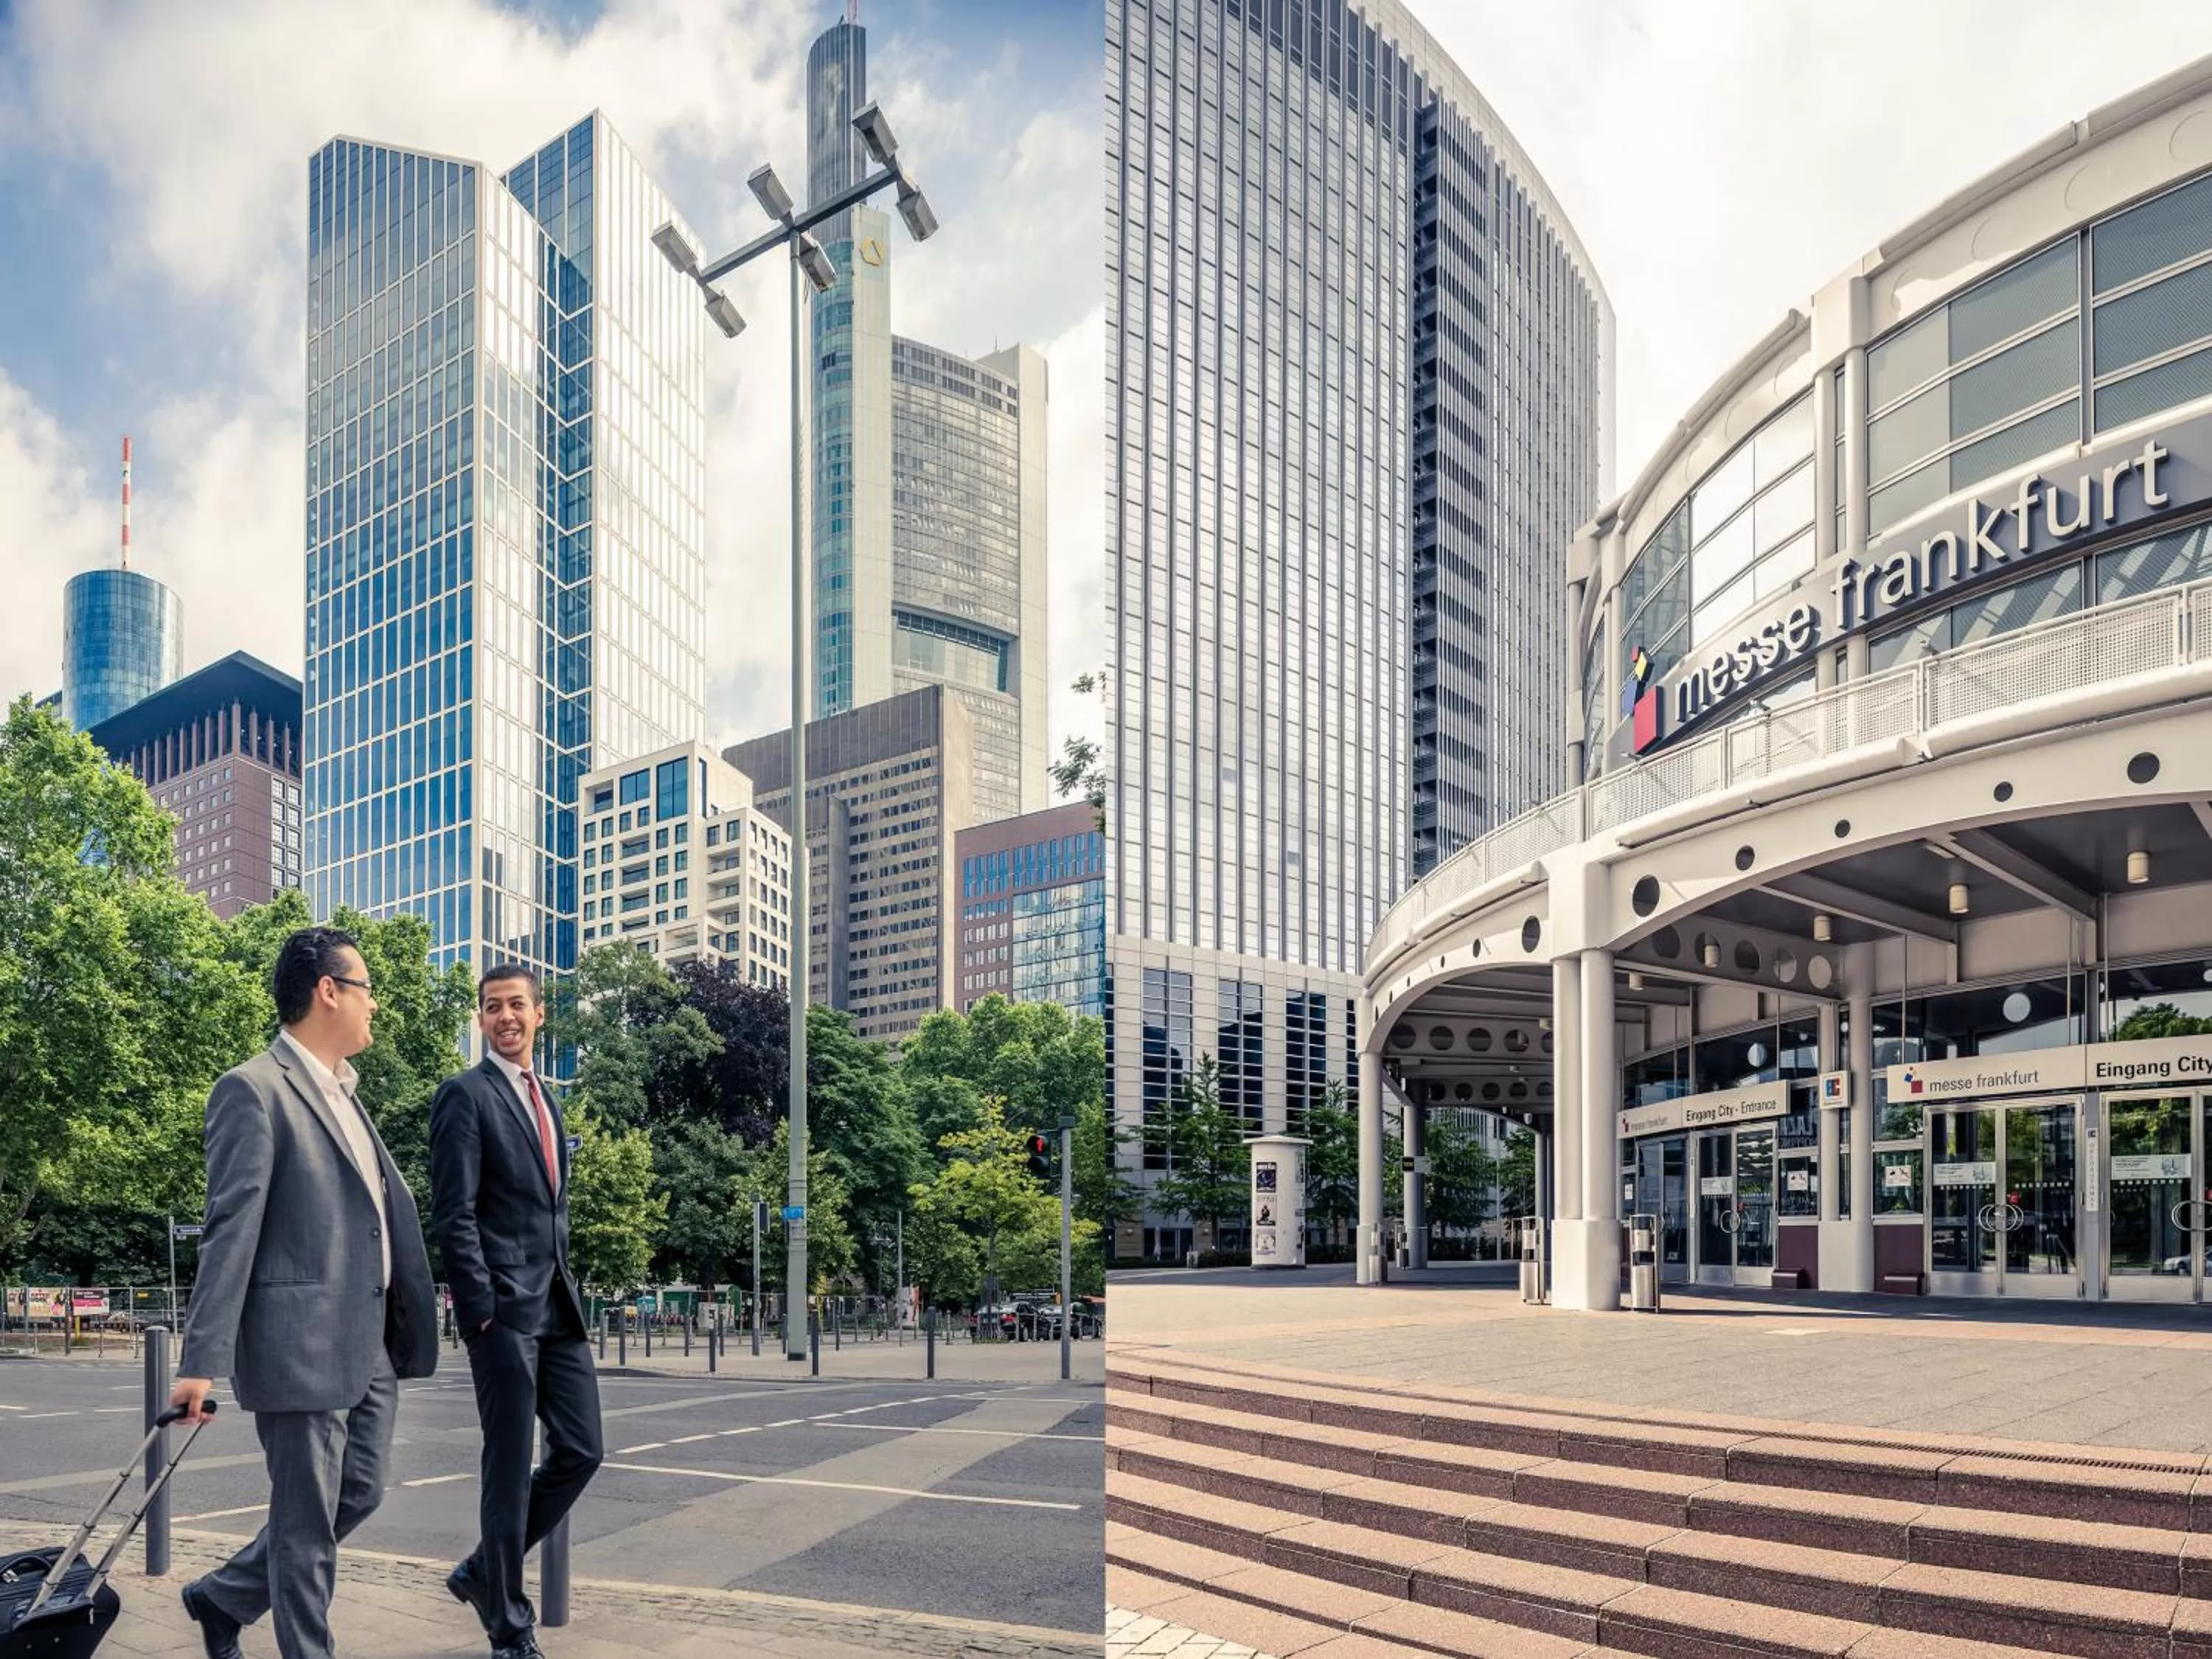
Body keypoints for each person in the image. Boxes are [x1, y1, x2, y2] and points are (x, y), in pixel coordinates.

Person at [172, 927, 439, 1659]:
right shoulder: (253, 1090)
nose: (375, 1006)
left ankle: (223, 1597)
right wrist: (201, 1360)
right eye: (367, 989)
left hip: (369, 1343)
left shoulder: (347, 1095)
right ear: (329, 991)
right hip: (299, 1345)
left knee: (359, 1495)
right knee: (306, 1534)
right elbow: (230, 1229)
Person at [431, 964, 603, 1659]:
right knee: (506, 1467)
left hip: (558, 1305)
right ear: (480, 1020)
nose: (505, 1016)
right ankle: (507, 1624)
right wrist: (481, 1313)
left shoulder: (547, 1099)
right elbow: (453, 1213)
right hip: (501, 1313)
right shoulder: (464, 1097)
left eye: (517, 1006)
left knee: (583, 1449)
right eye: (492, 1007)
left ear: (539, 1016)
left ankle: (481, 1570)